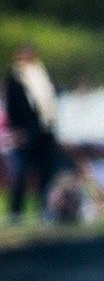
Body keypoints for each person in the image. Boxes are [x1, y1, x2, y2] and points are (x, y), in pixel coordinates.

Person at [4, 43, 60, 222]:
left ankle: (44, 212)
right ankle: (16, 215)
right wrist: (16, 132)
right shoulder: (14, 79)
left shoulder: (41, 76)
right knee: (20, 174)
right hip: (24, 134)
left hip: (42, 133)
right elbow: (12, 107)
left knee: (46, 173)